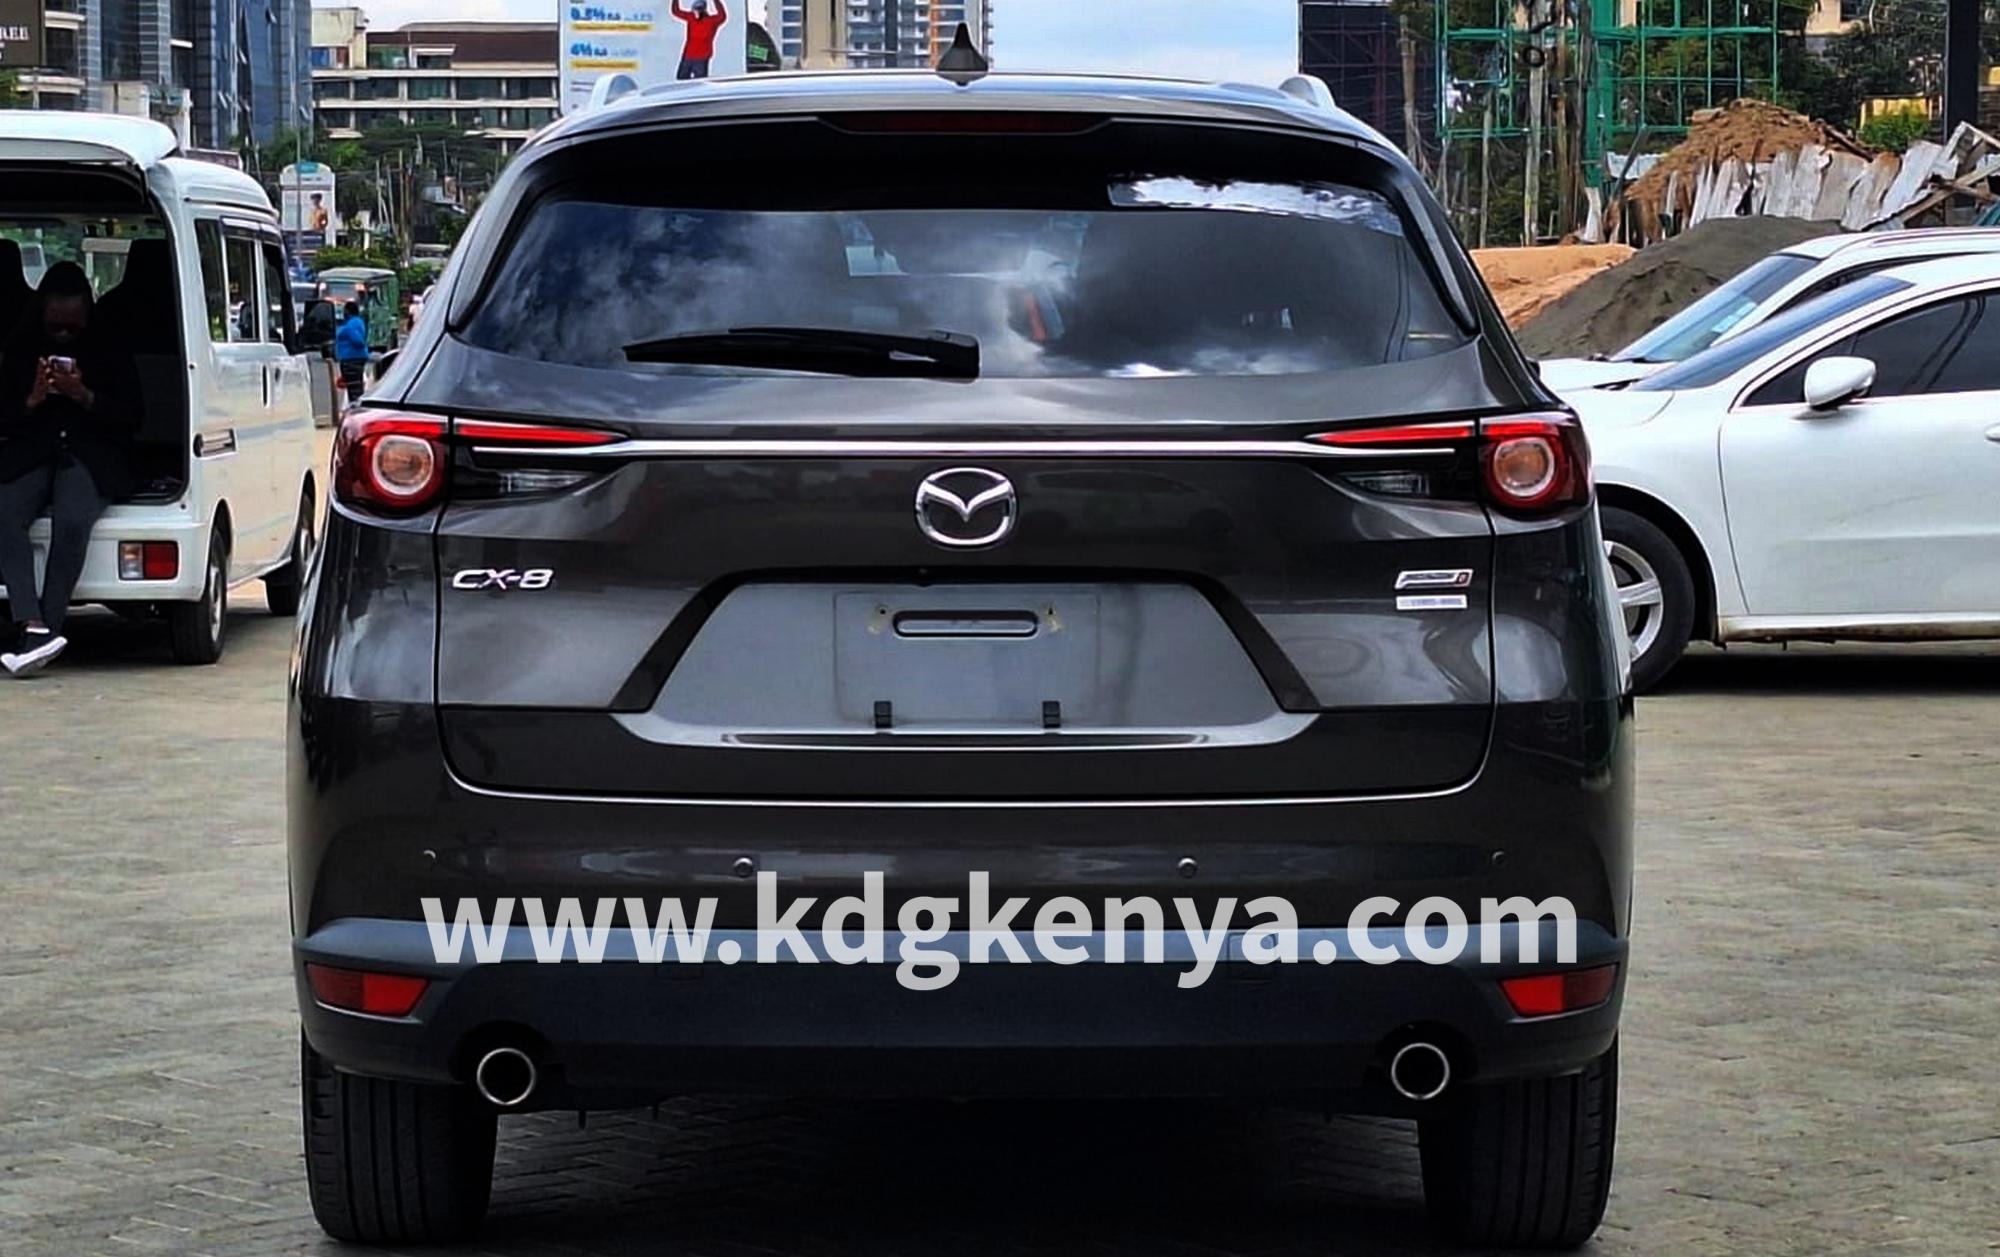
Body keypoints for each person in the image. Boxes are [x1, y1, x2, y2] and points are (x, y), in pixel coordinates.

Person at [0, 263, 142, 676]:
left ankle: (46, 628)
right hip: (32, 450)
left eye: (72, 327)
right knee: (4, 513)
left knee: (73, 520)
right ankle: (33, 625)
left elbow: (133, 417)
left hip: (92, 452)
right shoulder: (21, 347)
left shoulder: (109, 347)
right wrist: (31, 400)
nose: (63, 334)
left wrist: (83, 395)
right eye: (55, 326)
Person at [671, 0, 727, 79]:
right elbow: (676, 11)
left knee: (696, 82)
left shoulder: (710, 21)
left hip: (699, 57)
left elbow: (676, 11)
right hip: (690, 56)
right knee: (684, 80)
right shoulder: (693, 18)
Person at [334, 300, 369, 402]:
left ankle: (355, 406)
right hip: (355, 358)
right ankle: (356, 405)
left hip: (352, 358)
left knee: (354, 388)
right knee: (355, 386)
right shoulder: (358, 322)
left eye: (345, 311)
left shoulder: (351, 325)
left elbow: (358, 340)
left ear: (348, 311)